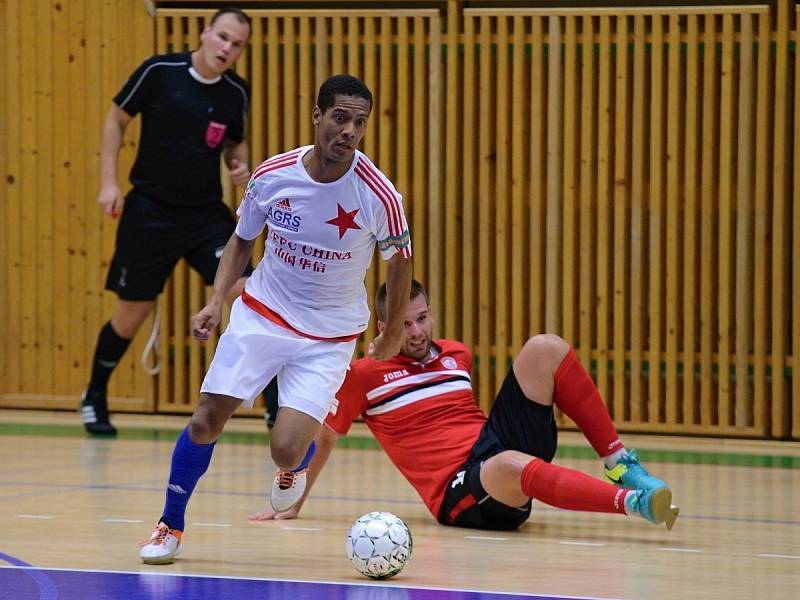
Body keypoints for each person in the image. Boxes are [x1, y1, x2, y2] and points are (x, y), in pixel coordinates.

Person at [138, 74, 414, 564]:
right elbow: (243, 239)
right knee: (206, 419)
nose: (349, 130)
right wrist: (216, 300)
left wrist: (390, 335)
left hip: (329, 334)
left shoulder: (379, 195)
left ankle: (293, 466)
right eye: (340, 118)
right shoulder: (274, 175)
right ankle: (170, 525)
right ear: (317, 117)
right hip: (264, 312)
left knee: (285, 448)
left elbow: (400, 263)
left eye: (360, 122)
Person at [251, 280, 680, 533]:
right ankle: (632, 502)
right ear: (382, 328)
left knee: (545, 347)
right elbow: (324, 437)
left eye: (422, 318)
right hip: (459, 492)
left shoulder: (457, 354)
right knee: (510, 463)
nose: (417, 331)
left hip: (491, 449)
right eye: (404, 323)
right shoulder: (363, 375)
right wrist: (294, 499)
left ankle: (621, 464)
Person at [80, 7, 254, 435]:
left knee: (249, 295)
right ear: (205, 32)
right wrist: (108, 184)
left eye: (237, 44)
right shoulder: (160, 71)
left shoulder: (235, 91)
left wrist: (239, 168)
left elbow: (235, 145)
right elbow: (116, 119)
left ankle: (271, 406)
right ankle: (94, 396)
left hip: (204, 215)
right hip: (150, 212)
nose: (227, 49)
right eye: (223, 38)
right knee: (131, 313)